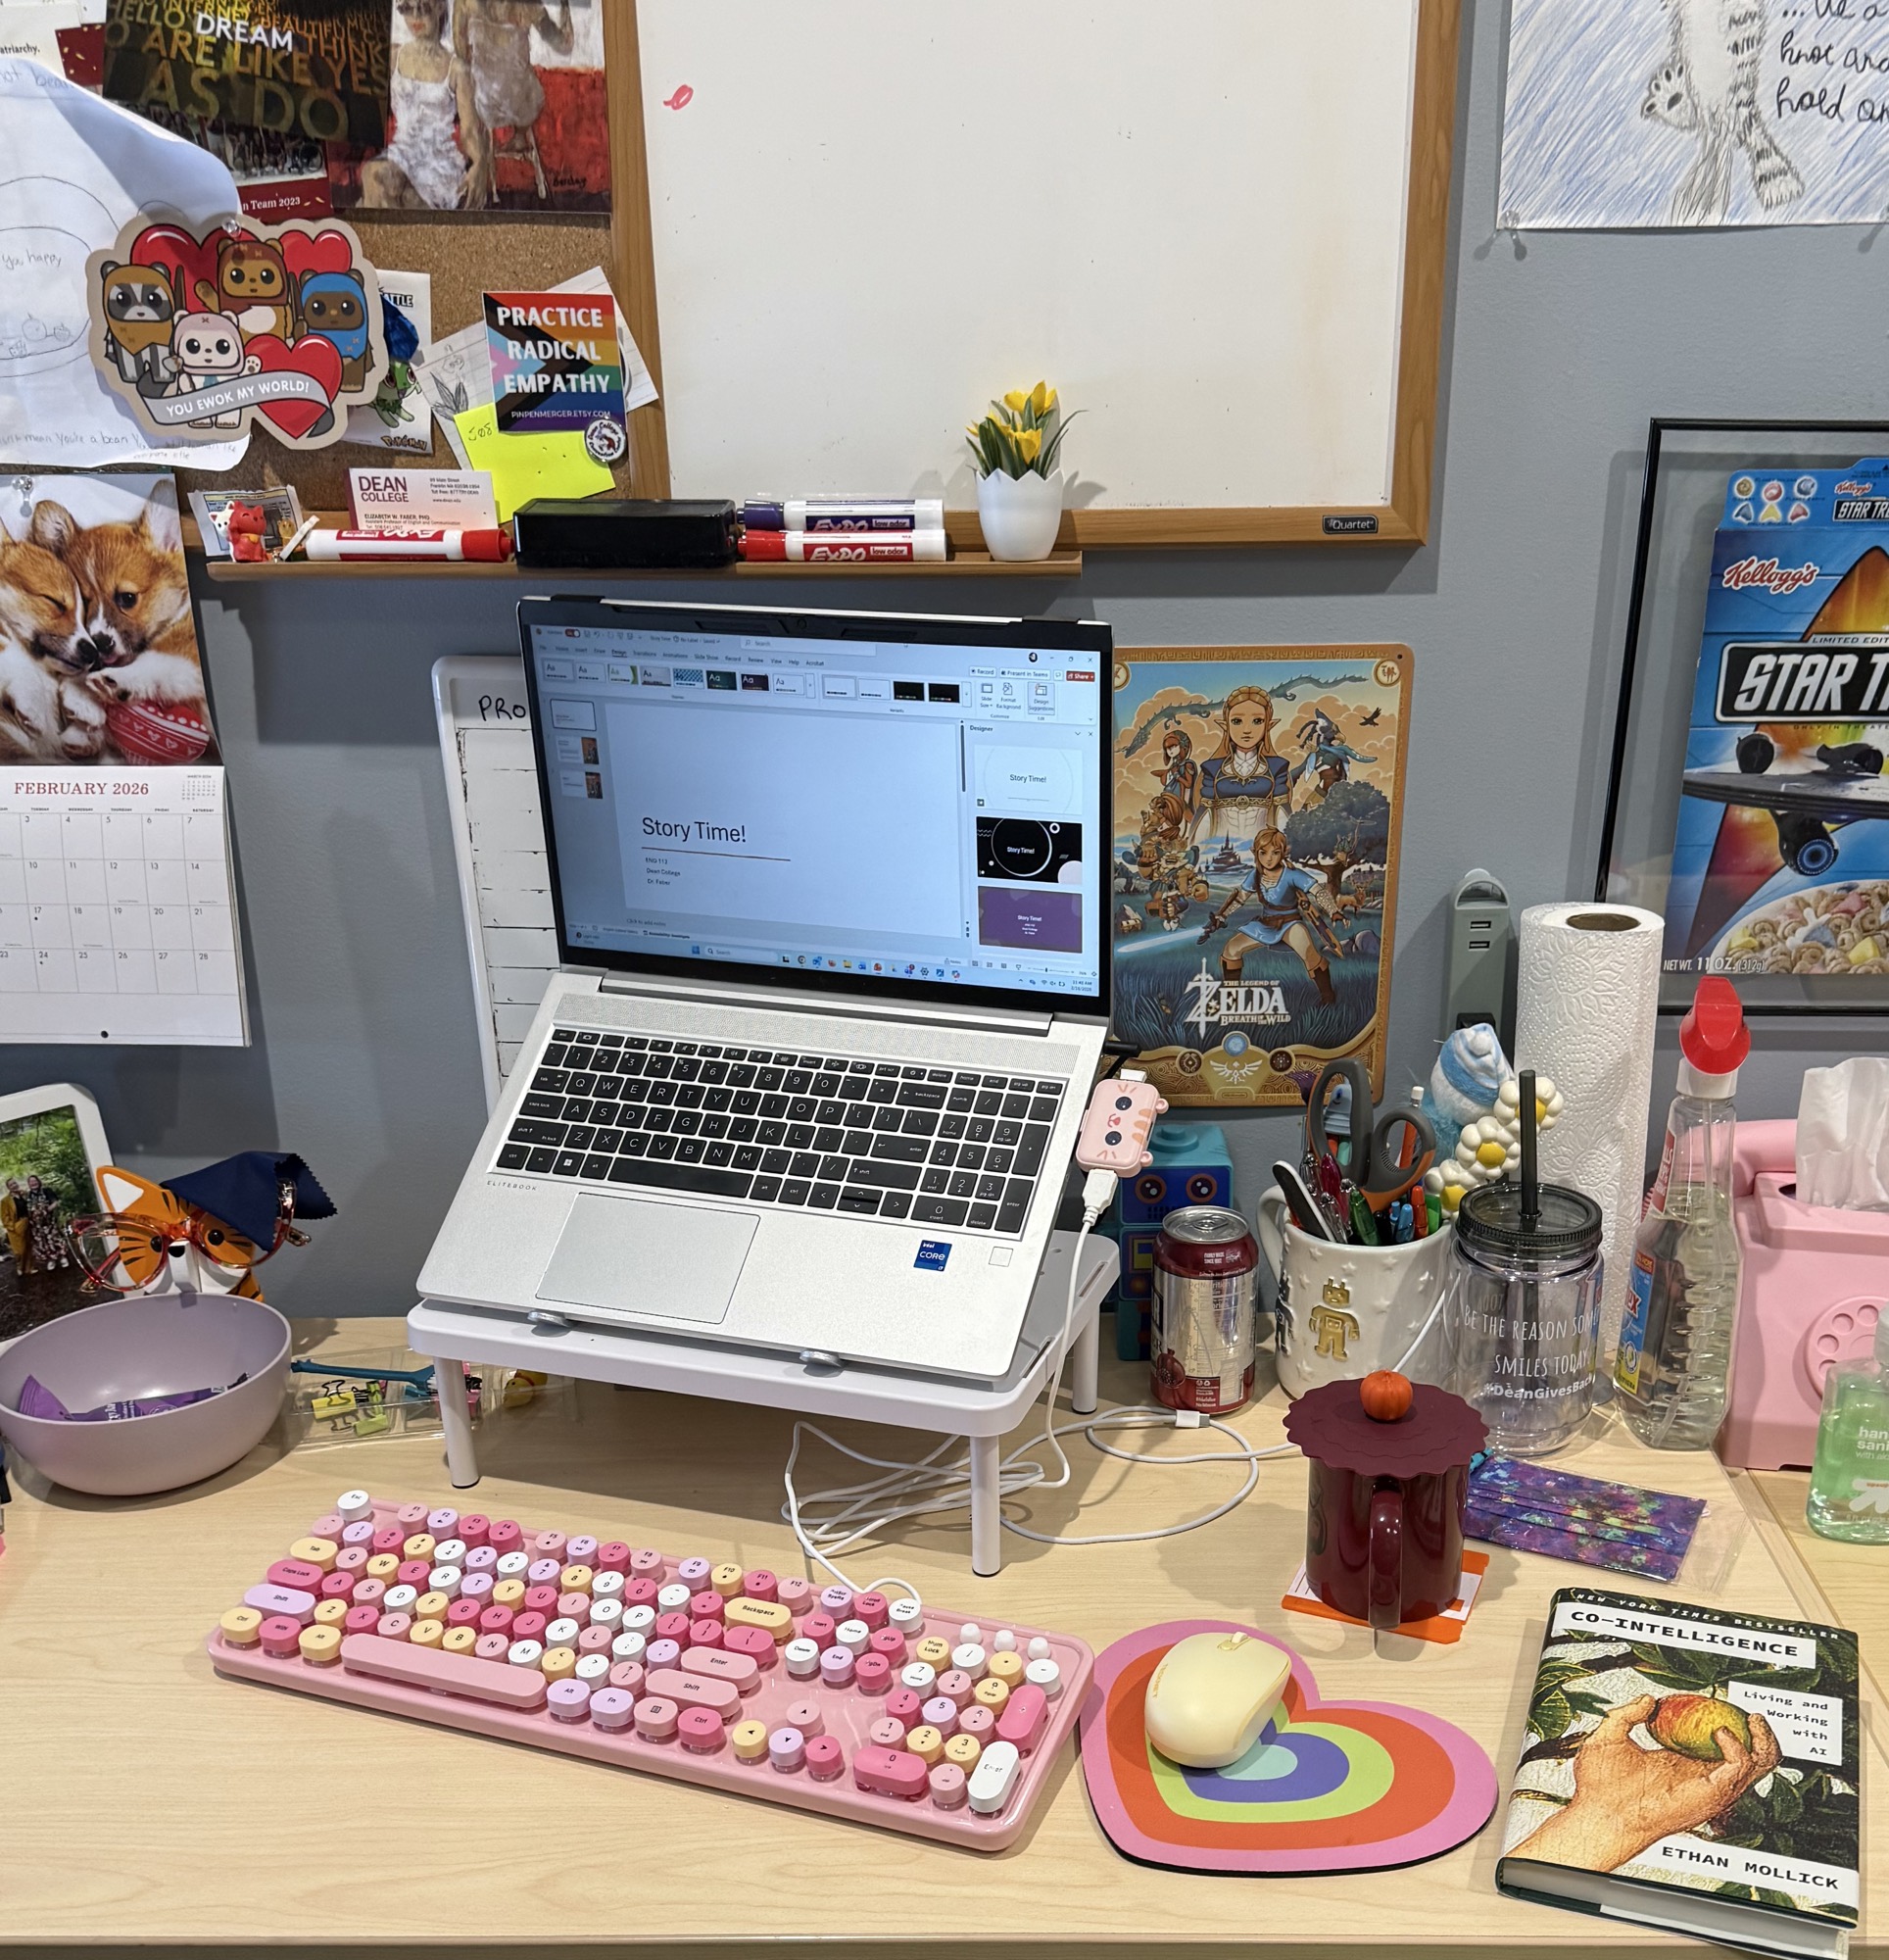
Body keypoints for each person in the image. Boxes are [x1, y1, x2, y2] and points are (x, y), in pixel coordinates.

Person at [360, 0, 481, 211]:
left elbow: (469, 130)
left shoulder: (457, 69)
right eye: (407, 8)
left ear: (440, 7)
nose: (415, 17)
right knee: (373, 175)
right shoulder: (393, 57)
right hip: (402, 154)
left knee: (399, 197)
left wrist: (478, 163)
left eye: (424, 8)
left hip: (437, 163)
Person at [1197, 827, 1339, 1004]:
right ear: (1256, 853)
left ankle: (1328, 997)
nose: (1269, 858)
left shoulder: (1292, 874)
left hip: (1290, 924)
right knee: (1231, 949)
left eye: (1275, 852)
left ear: (1283, 853)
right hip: (1265, 924)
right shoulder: (1255, 875)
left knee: (1310, 955)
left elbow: (1318, 891)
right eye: (1263, 853)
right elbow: (1240, 898)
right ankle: (1231, 998)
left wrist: (1333, 911)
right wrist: (1222, 916)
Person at [455, 0, 574, 206]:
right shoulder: (529, 5)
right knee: (526, 90)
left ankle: (491, 151)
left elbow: (460, 52)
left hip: (485, 104)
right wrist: (565, 7)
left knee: (481, 86)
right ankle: (520, 135)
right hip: (523, 103)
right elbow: (564, 46)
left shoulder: (465, 3)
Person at [1193, 686, 1291, 855]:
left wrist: (1286, 851)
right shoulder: (1213, 769)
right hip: (1219, 849)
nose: (1247, 730)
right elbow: (1205, 818)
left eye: (1257, 721)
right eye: (1237, 721)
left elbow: (1282, 816)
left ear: (1268, 725)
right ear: (1226, 725)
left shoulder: (1276, 768)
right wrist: (1197, 852)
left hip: (1263, 851)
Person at [24, 1173, 69, 1272]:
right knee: (43, 1243)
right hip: (37, 1226)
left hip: (49, 1222)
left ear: (38, 1182)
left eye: (35, 1181)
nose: (33, 1183)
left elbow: (55, 1202)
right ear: (29, 1184)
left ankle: (62, 1257)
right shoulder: (28, 1196)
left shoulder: (46, 1191)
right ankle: (51, 1260)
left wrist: (47, 1210)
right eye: (31, 1182)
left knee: (55, 1239)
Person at [2, 1176, 31, 1275]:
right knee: (20, 1250)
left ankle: (29, 1268)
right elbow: (4, 1217)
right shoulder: (5, 1201)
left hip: (28, 1223)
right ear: (8, 1188)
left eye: (15, 1183)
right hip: (16, 1226)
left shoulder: (23, 1195)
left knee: (29, 1246)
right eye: (11, 1185)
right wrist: (13, 1227)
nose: (14, 1186)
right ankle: (20, 1267)